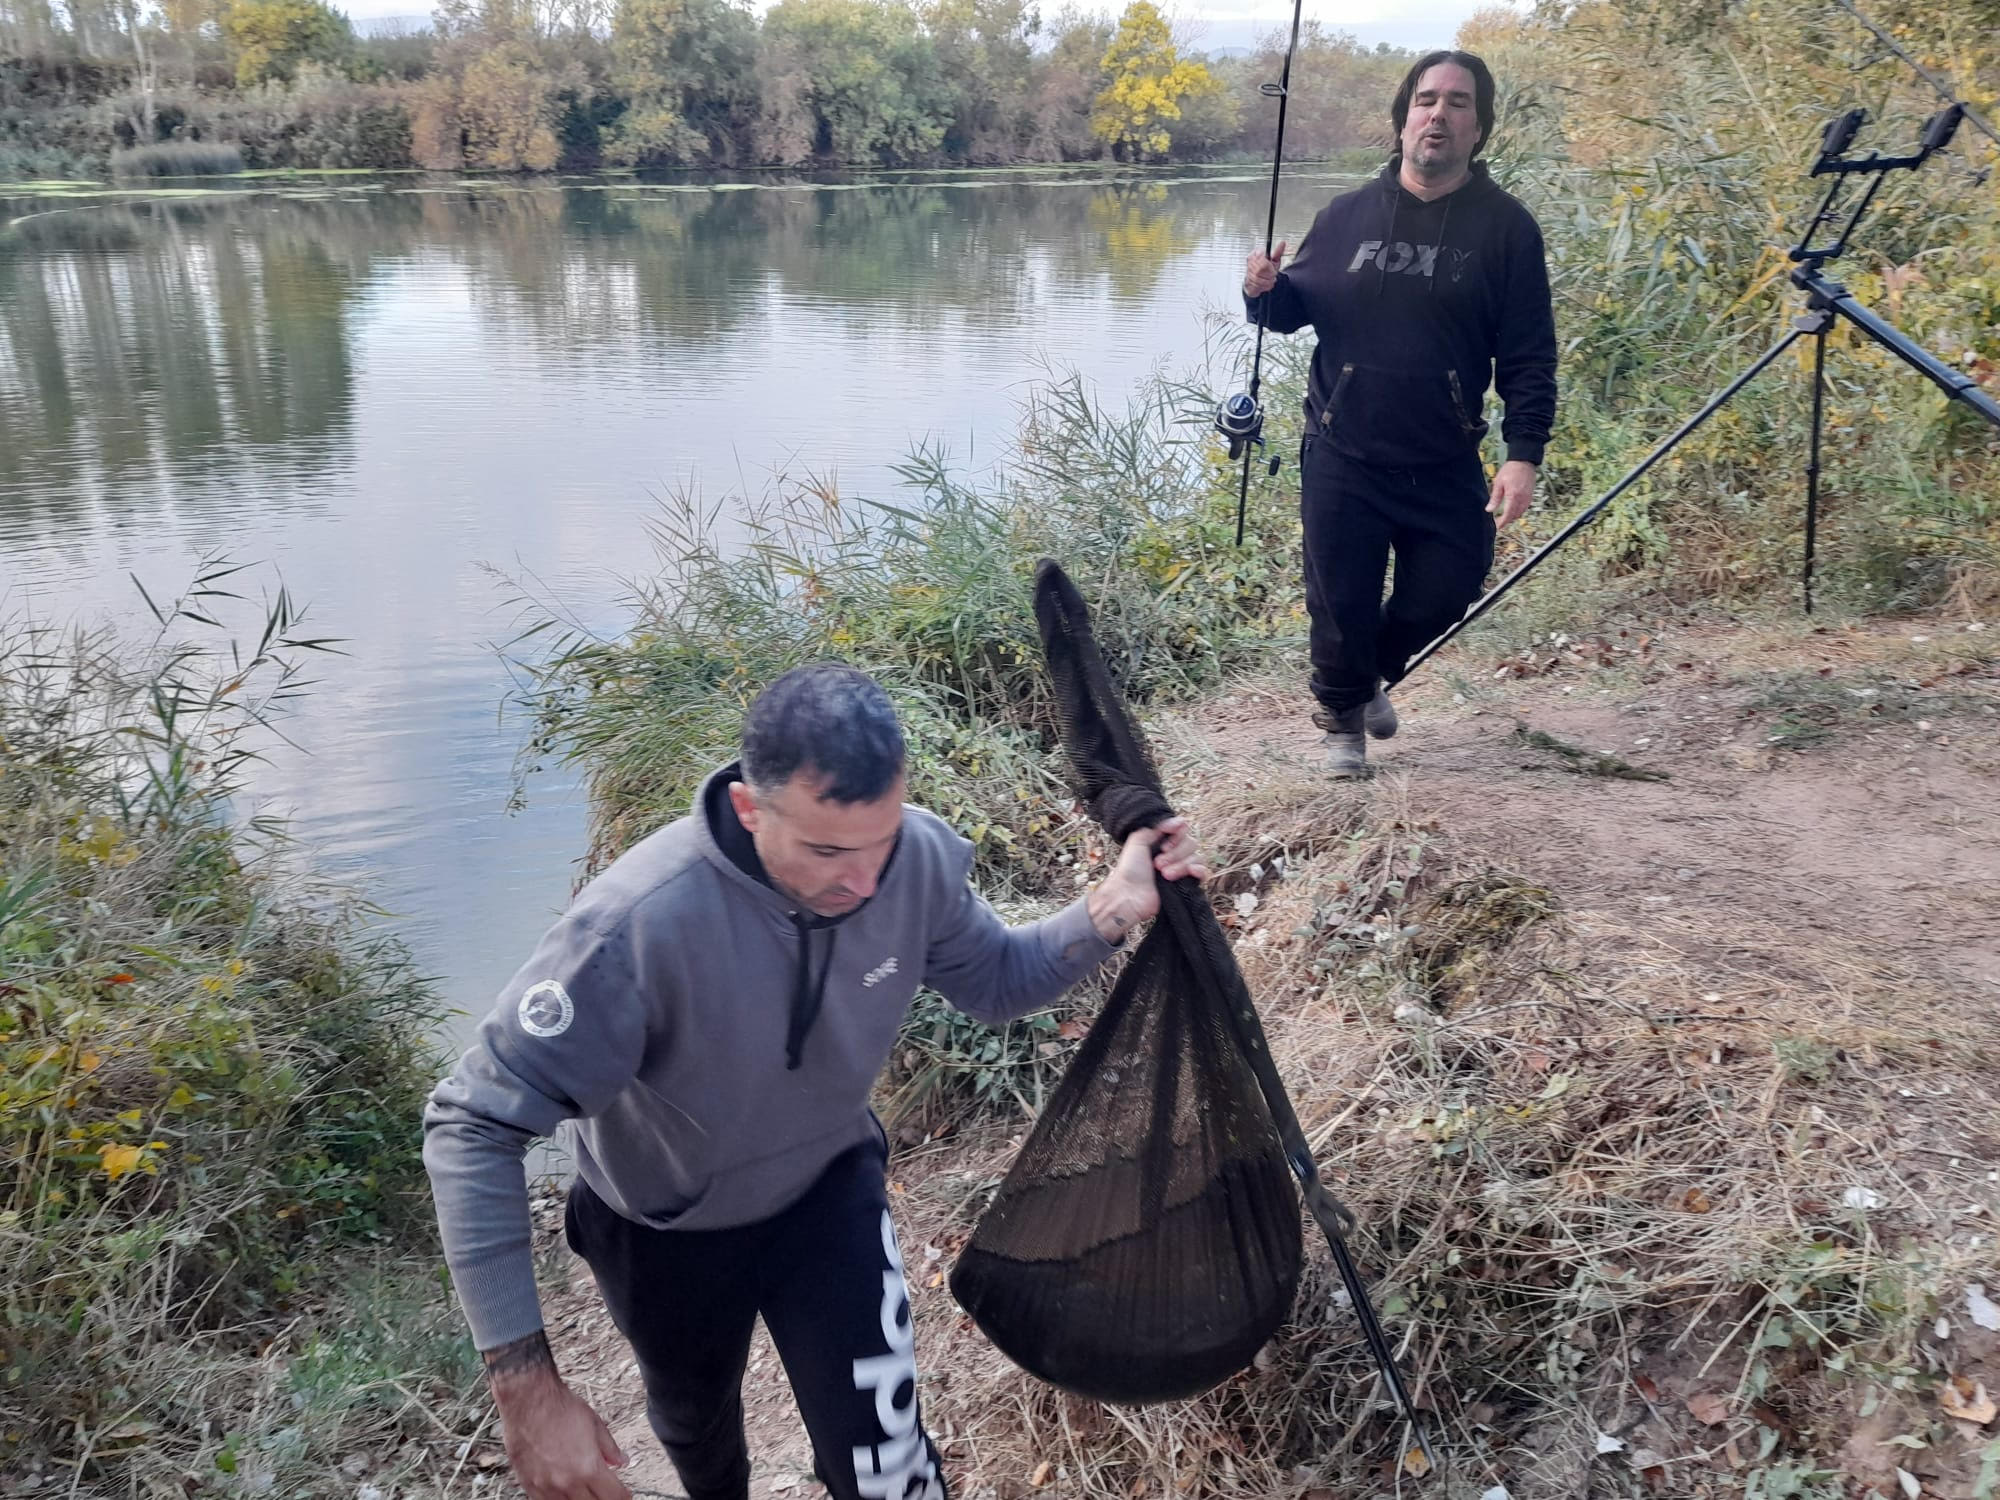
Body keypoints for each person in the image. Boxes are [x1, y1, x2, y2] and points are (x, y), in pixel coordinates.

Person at [423, 663, 1207, 1500]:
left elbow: (995, 980)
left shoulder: (917, 860)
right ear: (749, 810)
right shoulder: (634, 932)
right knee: (695, 1426)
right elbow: (472, 1125)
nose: (864, 882)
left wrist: (1115, 905)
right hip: (661, 1229)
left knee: (888, 1463)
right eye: (828, 850)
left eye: (883, 841)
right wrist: (525, 1384)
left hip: (828, 1195)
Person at [1242, 48, 1558, 777]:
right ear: (1402, 118)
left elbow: (1530, 354)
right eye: (1425, 100)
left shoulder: (1507, 229)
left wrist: (1523, 451)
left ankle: (1360, 683)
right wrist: (1263, 288)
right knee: (1339, 603)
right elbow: (1292, 312)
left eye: (1457, 102)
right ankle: (1341, 723)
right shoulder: (1347, 215)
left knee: (1450, 587)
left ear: (1479, 126)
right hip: (1342, 447)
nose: (1437, 114)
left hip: (1442, 453)